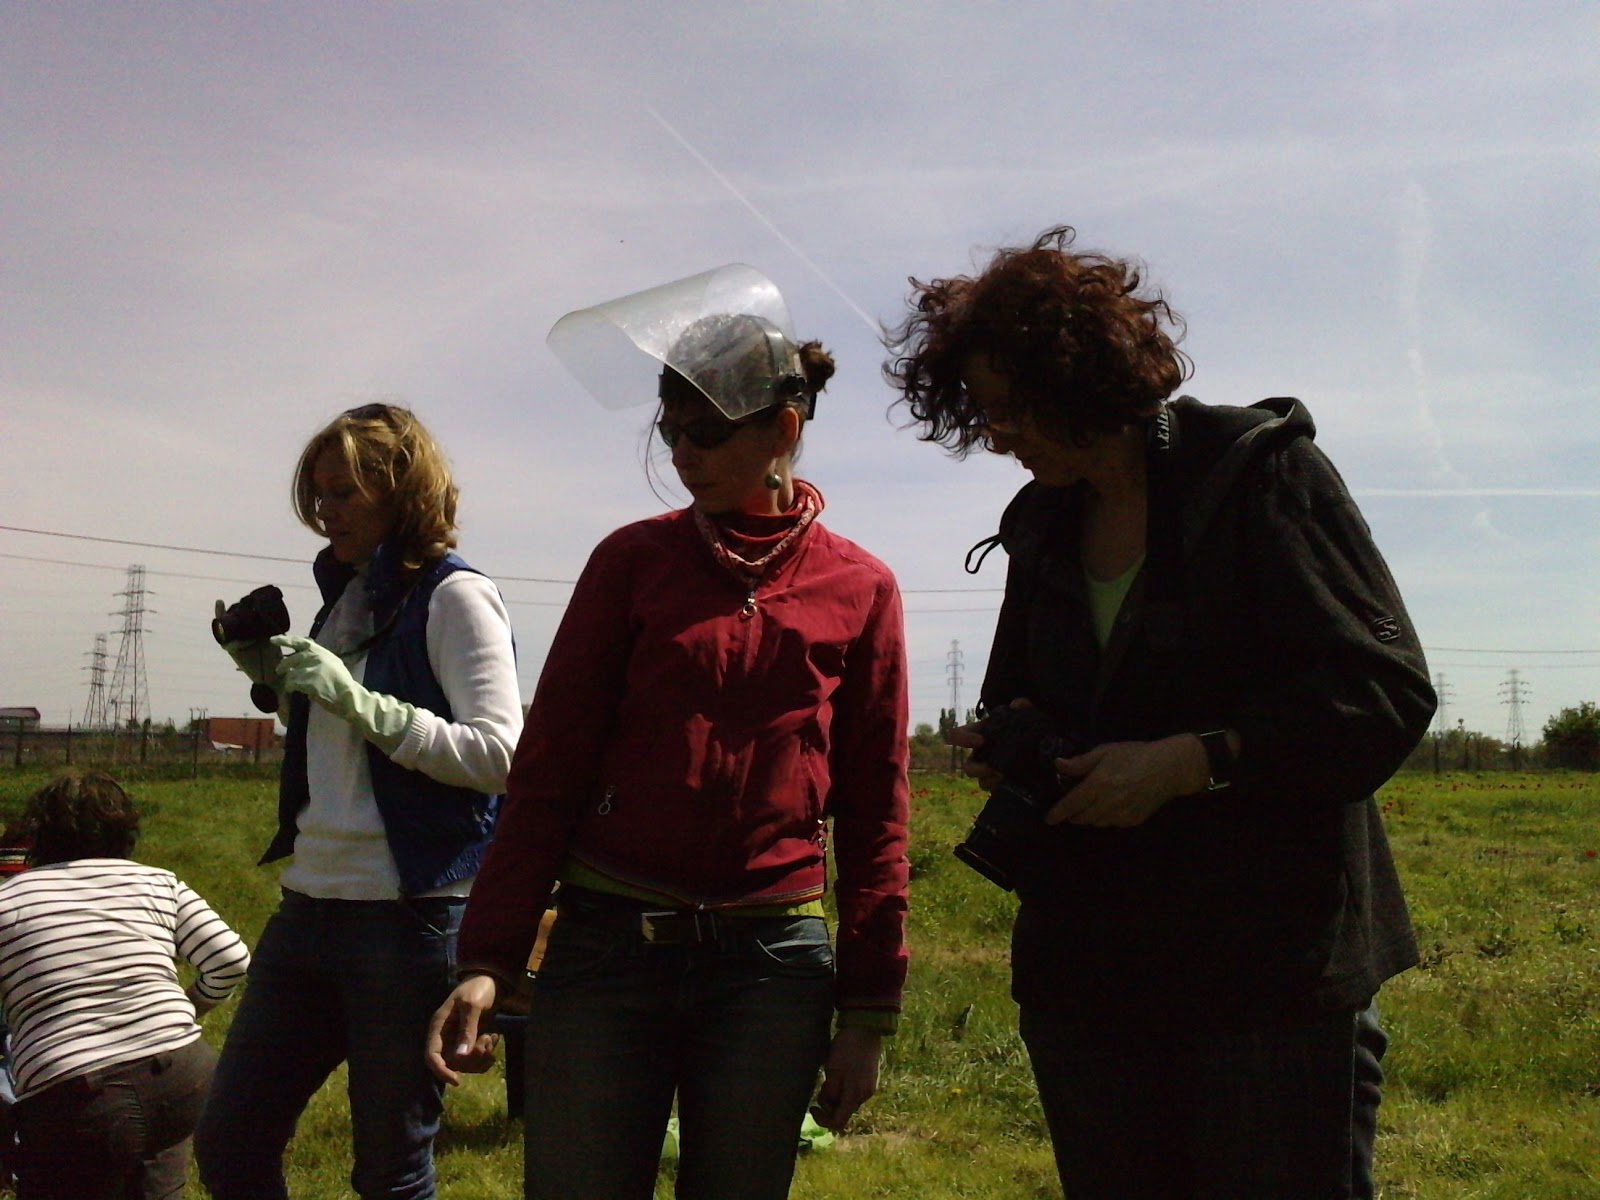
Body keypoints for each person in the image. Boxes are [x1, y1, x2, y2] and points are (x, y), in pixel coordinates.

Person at [884, 226, 1436, 1199]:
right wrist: (1012, 744)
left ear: (1078, 379)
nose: (997, 438)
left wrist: (1191, 760)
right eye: (982, 414)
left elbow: (1381, 694)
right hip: (1089, 977)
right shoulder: (1041, 522)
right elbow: (1016, 695)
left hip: (1265, 981)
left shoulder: (1259, 474)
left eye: (1010, 410)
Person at [426, 265, 911, 1200]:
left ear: (784, 430)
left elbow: (876, 811)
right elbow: (548, 769)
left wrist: (866, 1011)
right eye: (670, 429)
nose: (683, 453)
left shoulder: (862, 587)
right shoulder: (630, 563)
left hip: (769, 968)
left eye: (708, 432)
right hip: (607, 952)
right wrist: (489, 959)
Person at [195, 402, 522, 1200]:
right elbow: (344, 739)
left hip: (406, 920)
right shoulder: (345, 596)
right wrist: (273, 682)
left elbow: (499, 756)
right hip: (307, 907)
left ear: (402, 491)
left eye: (343, 493)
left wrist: (356, 700)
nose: (325, 512)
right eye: (318, 494)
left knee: (390, 1171)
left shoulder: (457, 596)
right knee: (229, 1140)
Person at [0, 771, 249, 1199]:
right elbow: (230, 960)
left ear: (40, 833)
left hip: (78, 1095)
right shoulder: (158, 881)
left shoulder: (9, 900)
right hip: (184, 1076)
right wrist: (186, 1009)